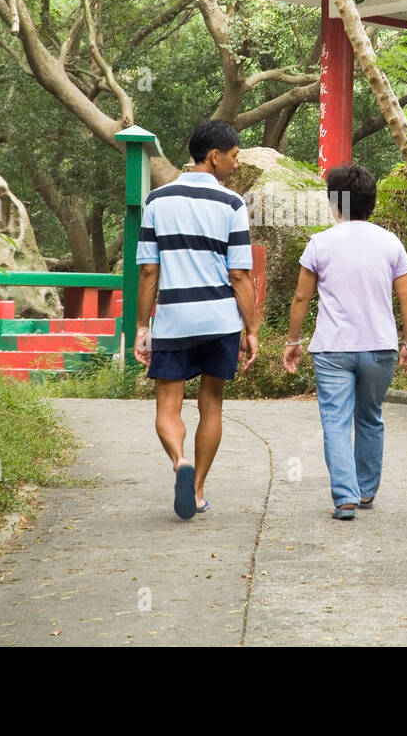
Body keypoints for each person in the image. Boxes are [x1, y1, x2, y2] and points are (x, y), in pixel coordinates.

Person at [133, 120, 259, 520]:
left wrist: (141, 327)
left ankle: (179, 462)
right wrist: (251, 328)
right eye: (235, 156)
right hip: (219, 320)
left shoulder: (156, 201)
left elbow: (149, 272)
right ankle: (199, 488)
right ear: (214, 156)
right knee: (212, 406)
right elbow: (239, 274)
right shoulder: (232, 204)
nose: (236, 165)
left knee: (168, 406)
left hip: (173, 320)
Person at [282, 163, 407, 520]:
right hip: (380, 347)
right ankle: (365, 491)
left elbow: (301, 298)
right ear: (371, 202)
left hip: (332, 349)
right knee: (370, 417)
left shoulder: (320, 243)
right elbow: (406, 297)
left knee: (335, 421)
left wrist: (292, 340)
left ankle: (345, 497)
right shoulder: (391, 243)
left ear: (335, 202)